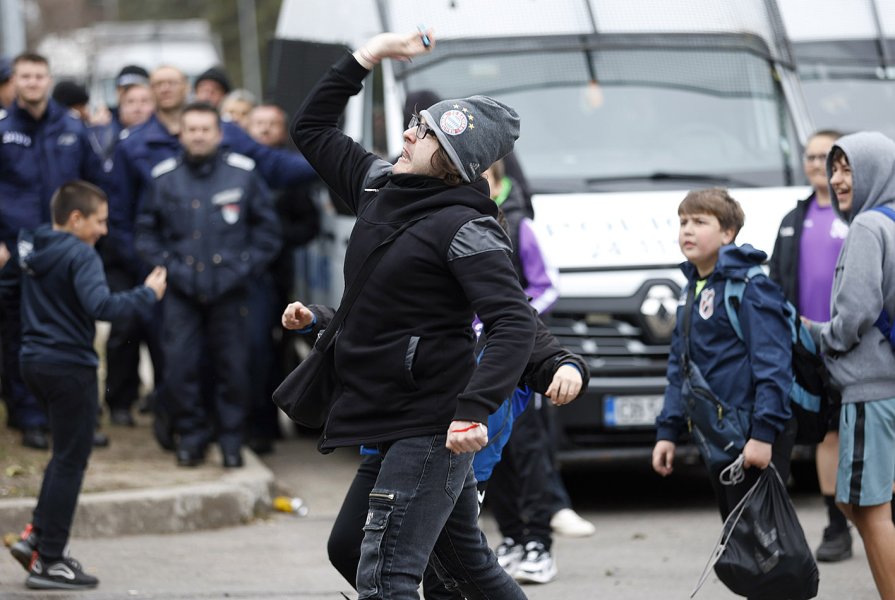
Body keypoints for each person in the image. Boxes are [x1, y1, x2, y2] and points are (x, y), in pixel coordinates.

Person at [287, 28, 536, 598]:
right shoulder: (379, 187)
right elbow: (311, 129)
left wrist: (474, 410)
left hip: (434, 421)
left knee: (385, 574)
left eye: (422, 132)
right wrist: (365, 57)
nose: (406, 132)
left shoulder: (468, 227)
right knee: (366, 551)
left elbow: (515, 321)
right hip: (387, 414)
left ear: (450, 161)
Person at [105, 65, 316, 444]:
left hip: (229, 278)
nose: (166, 89)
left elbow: (273, 167)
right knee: (177, 362)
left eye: (173, 83)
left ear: (187, 88)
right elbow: (123, 217)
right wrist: (154, 267)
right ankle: (184, 434)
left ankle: (231, 435)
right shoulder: (134, 145)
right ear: (151, 92)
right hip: (167, 278)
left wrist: (334, 163)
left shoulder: (230, 136)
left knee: (237, 360)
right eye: (159, 84)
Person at [319, 312, 588, 599]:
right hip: (394, 444)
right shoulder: (423, 290)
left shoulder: (498, 306)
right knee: (347, 545)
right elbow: (368, 317)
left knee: (449, 576)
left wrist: (569, 367)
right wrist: (318, 319)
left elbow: (545, 351)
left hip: (464, 461)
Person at [1, 180, 166, 590]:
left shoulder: (30, 246)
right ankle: (50, 561)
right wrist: (147, 293)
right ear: (76, 220)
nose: (105, 231)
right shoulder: (81, 253)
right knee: (71, 461)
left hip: (33, 362)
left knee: (62, 456)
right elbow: (103, 306)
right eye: (100, 221)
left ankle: (37, 537)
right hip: (69, 366)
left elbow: (6, 293)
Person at [135, 101, 281, 468]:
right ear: (180, 134)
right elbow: (145, 234)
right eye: (191, 129)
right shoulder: (163, 176)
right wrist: (169, 267)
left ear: (218, 133)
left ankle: (232, 439)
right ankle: (193, 437)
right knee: (181, 367)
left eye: (205, 129)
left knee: (234, 368)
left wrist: (243, 268)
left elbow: (267, 233)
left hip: (232, 291)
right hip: (181, 292)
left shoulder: (243, 174)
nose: (198, 135)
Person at [652, 188, 796, 523]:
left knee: (766, 539)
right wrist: (667, 432)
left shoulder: (750, 287)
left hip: (752, 433)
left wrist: (762, 435)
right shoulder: (693, 288)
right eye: (683, 221)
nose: (687, 229)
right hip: (718, 434)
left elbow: (774, 367)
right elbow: (680, 367)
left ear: (728, 233)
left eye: (700, 221)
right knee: (739, 536)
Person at [0, 52, 109, 449]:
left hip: (69, 252)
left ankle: (79, 418)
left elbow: (95, 182)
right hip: (18, 252)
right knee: (21, 335)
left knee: (78, 334)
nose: (32, 82)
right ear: (14, 81)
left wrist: (96, 233)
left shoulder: (72, 129)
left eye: (39, 76)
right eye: (25, 76)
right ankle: (30, 417)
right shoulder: (3, 129)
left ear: (48, 80)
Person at [804, 131, 895, 599]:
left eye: (848, 169)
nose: (836, 179)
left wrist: (818, 333)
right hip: (888, 385)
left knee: (867, 506)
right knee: (859, 501)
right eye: (834, 168)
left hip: (870, 389)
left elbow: (855, 314)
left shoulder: (867, 227)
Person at [769, 129, 852, 562]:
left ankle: (879, 517)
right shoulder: (792, 219)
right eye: (811, 155)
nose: (817, 163)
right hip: (810, 350)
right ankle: (836, 525)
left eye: (827, 156)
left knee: (873, 433)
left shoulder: (862, 215)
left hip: (856, 345)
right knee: (826, 435)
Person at [245, 103, 321, 455]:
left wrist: (276, 236)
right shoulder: (238, 169)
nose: (263, 130)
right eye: (257, 124)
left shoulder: (293, 174)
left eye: (271, 124)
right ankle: (253, 423)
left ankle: (280, 422)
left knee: (278, 349)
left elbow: (309, 224)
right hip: (239, 275)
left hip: (277, 276)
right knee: (249, 350)